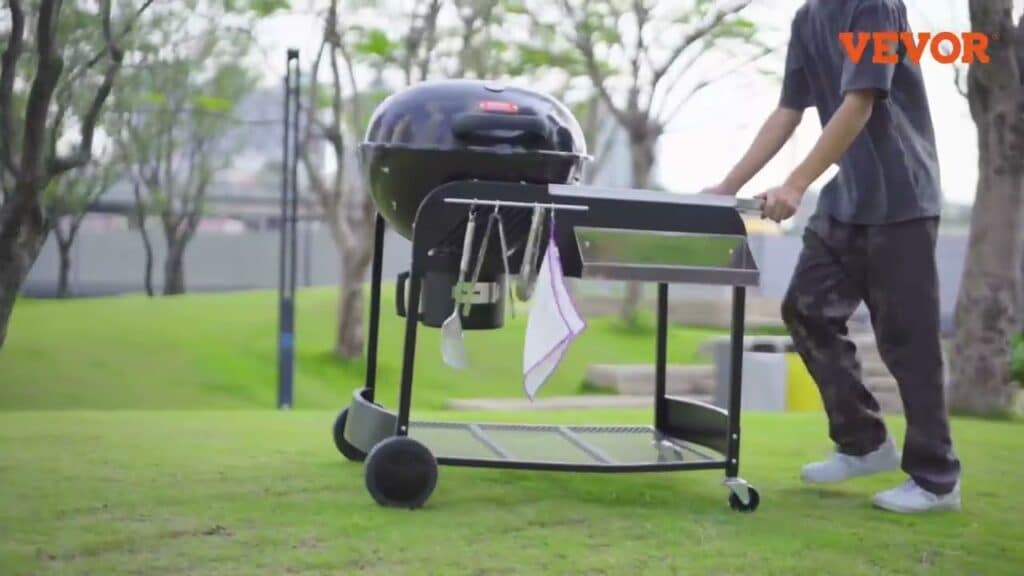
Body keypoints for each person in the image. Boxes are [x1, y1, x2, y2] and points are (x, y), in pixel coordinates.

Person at [705, 0, 961, 513]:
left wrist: (795, 184)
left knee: (907, 341)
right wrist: (728, 185)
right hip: (847, 202)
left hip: (902, 199)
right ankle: (862, 442)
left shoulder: (875, 6)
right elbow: (788, 111)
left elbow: (860, 102)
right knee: (806, 310)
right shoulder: (809, 17)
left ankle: (937, 481)